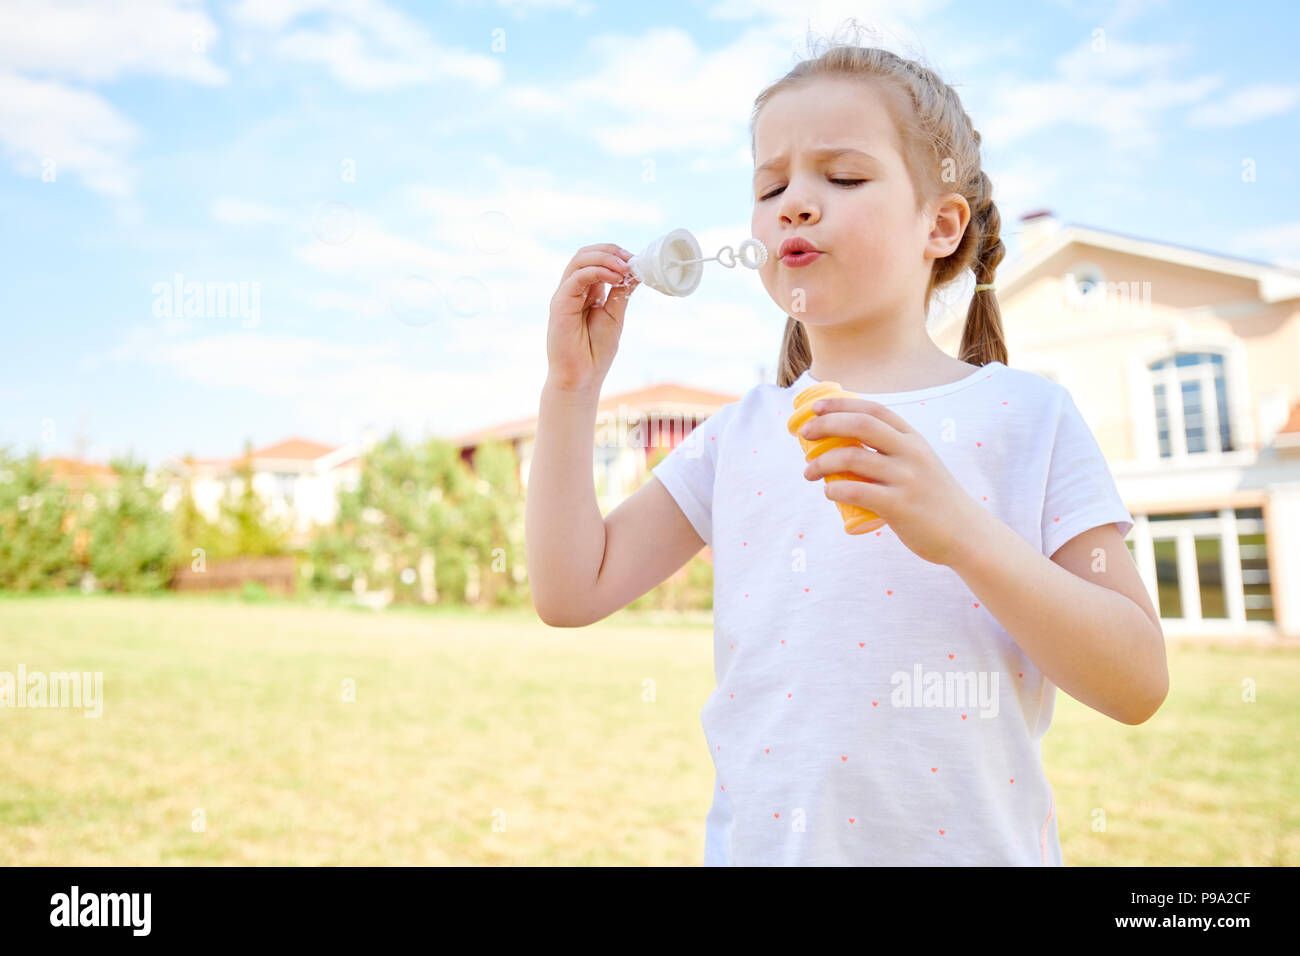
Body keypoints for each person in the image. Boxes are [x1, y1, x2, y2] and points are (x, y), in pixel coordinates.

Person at [528, 28, 1167, 866]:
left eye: (843, 176)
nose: (793, 202)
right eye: (770, 184)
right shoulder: (741, 434)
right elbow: (573, 588)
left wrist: (961, 533)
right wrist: (571, 389)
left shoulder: (1028, 416)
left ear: (941, 225)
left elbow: (1137, 680)